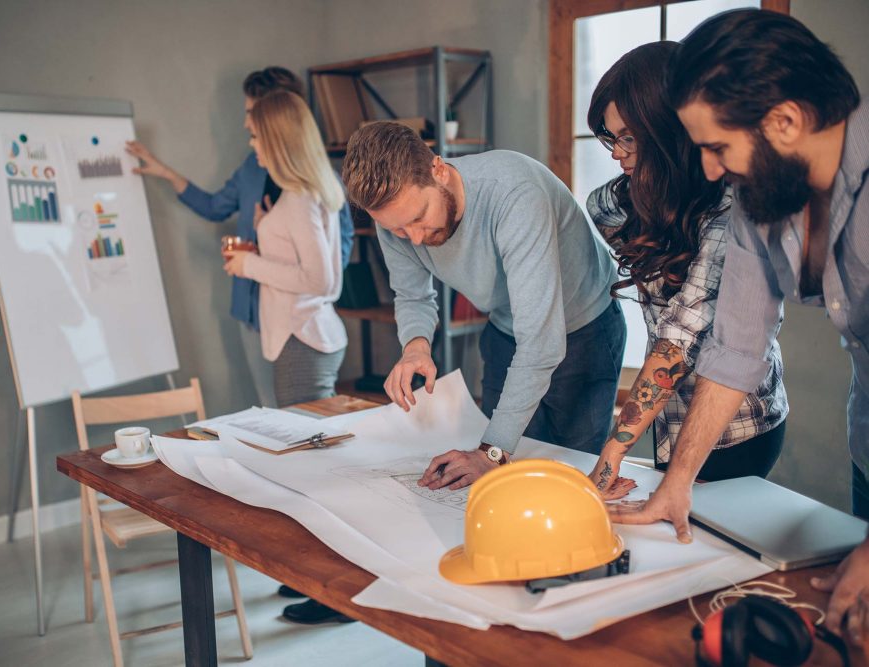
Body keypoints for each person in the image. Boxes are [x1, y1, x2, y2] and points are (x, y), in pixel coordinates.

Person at [609, 9, 866, 643]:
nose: (710, 171)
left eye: (717, 147)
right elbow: (734, 348)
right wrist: (677, 481)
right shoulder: (762, 196)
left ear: (784, 121)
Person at [342, 122, 625, 490]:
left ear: (438, 170)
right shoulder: (393, 217)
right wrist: (415, 346)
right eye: (397, 230)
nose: (413, 239)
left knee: (564, 481)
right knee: (504, 482)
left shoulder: (513, 194)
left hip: (584, 328)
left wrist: (492, 452)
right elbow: (413, 295)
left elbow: (541, 344)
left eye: (417, 218)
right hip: (506, 328)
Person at [583, 41, 787, 501]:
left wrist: (611, 454)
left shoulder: (732, 209)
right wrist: (657, 190)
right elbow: (601, 205)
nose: (617, 153)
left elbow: (679, 338)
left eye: (630, 137)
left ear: (668, 131)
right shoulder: (631, 202)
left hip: (738, 428)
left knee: (704, 537)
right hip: (667, 416)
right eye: (610, 137)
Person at [126, 67, 354, 409]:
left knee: (296, 428)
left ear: (275, 124)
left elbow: (322, 273)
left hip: (299, 322)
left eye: (253, 121)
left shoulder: (304, 193)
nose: (248, 133)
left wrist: (252, 263)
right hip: (264, 311)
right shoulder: (261, 172)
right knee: (278, 415)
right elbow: (217, 206)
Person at [222, 89, 352, 625]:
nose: (250, 142)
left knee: (311, 472)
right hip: (297, 339)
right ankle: (316, 577)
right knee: (308, 468)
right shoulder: (297, 196)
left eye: (254, 133)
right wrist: (258, 252)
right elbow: (306, 269)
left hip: (304, 341)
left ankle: (332, 589)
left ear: (275, 136)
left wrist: (250, 267)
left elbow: (322, 281)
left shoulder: (299, 199)